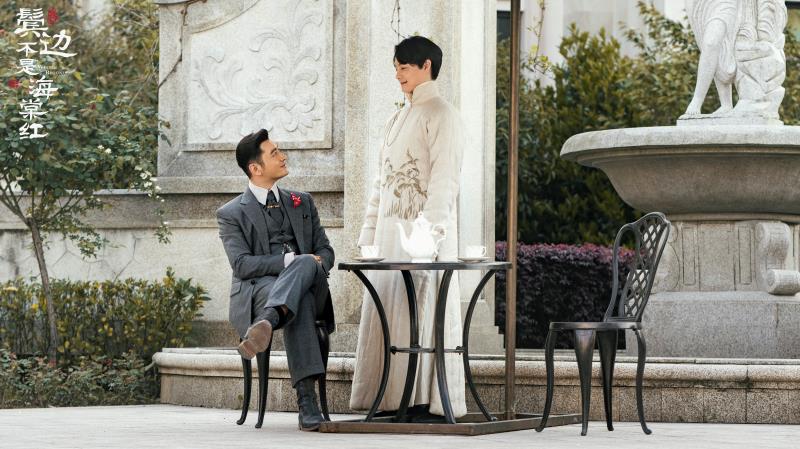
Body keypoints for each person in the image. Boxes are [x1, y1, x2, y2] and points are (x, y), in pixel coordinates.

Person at [349, 36, 467, 421]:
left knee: (422, 310)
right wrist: (369, 236)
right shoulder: (397, 117)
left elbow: (445, 181)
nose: (398, 75)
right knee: (389, 310)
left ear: (426, 66)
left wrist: (427, 238)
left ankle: (423, 401)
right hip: (389, 237)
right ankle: (389, 399)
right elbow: (381, 183)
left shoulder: (443, 114)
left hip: (421, 238)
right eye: (396, 68)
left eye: (404, 67)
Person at [216, 129, 335, 431]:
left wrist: (306, 264)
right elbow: (241, 265)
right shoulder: (231, 213)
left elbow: (326, 252)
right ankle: (306, 403)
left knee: (306, 268)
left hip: (306, 288)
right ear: (255, 168)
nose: (283, 157)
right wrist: (290, 261)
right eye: (274, 153)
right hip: (260, 290)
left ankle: (269, 320)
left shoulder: (302, 201)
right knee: (300, 295)